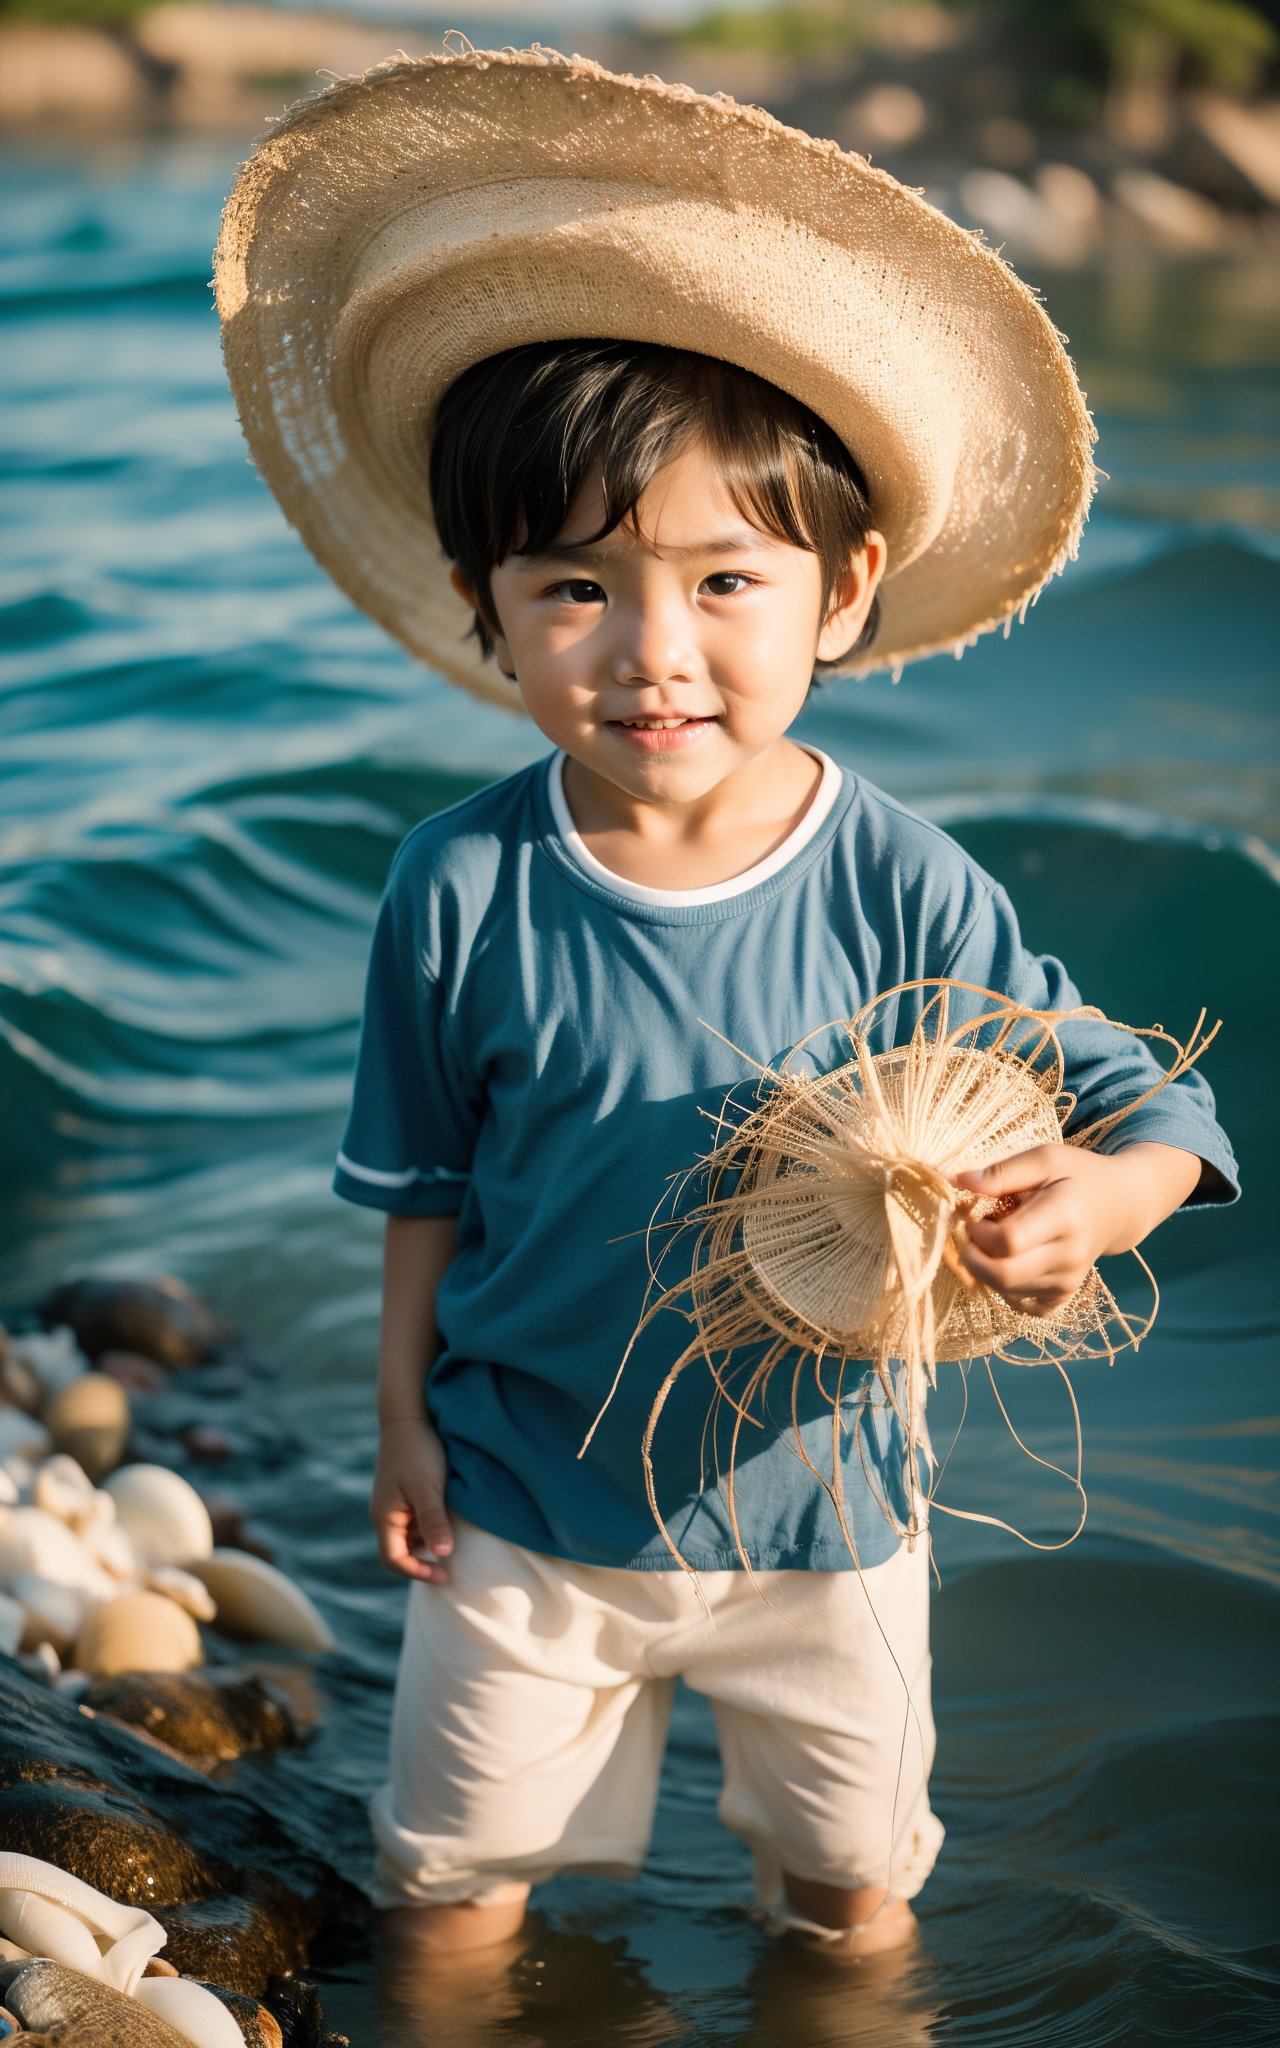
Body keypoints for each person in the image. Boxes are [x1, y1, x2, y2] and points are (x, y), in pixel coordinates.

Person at [215, 45, 1239, 1974]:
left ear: (843, 590)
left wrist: (1098, 1203)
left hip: (832, 1513)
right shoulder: (462, 881)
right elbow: (426, 1178)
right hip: (524, 1506)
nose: (654, 648)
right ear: (484, 603)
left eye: (724, 578)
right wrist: (397, 1420)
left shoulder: (900, 882)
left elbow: (1139, 1092)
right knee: (453, 1892)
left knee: (851, 1910)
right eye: (578, 586)